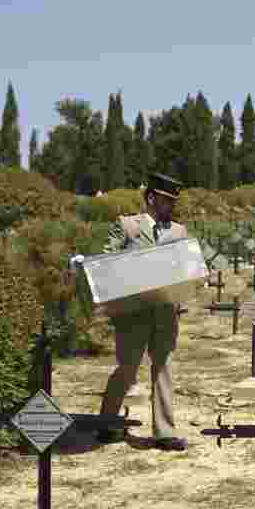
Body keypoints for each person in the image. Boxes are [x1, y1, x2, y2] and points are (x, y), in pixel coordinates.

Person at [71, 173, 190, 451]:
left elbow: (184, 267)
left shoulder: (178, 231)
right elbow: (106, 260)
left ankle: (165, 432)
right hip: (133, 314)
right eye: (166, 200)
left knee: (164, 369)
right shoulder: (127, 226)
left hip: (165, 312)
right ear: (151, 198)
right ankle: (108, 424)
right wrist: (87, 266)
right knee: (127, 369)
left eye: (173, 201)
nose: (170, 206)